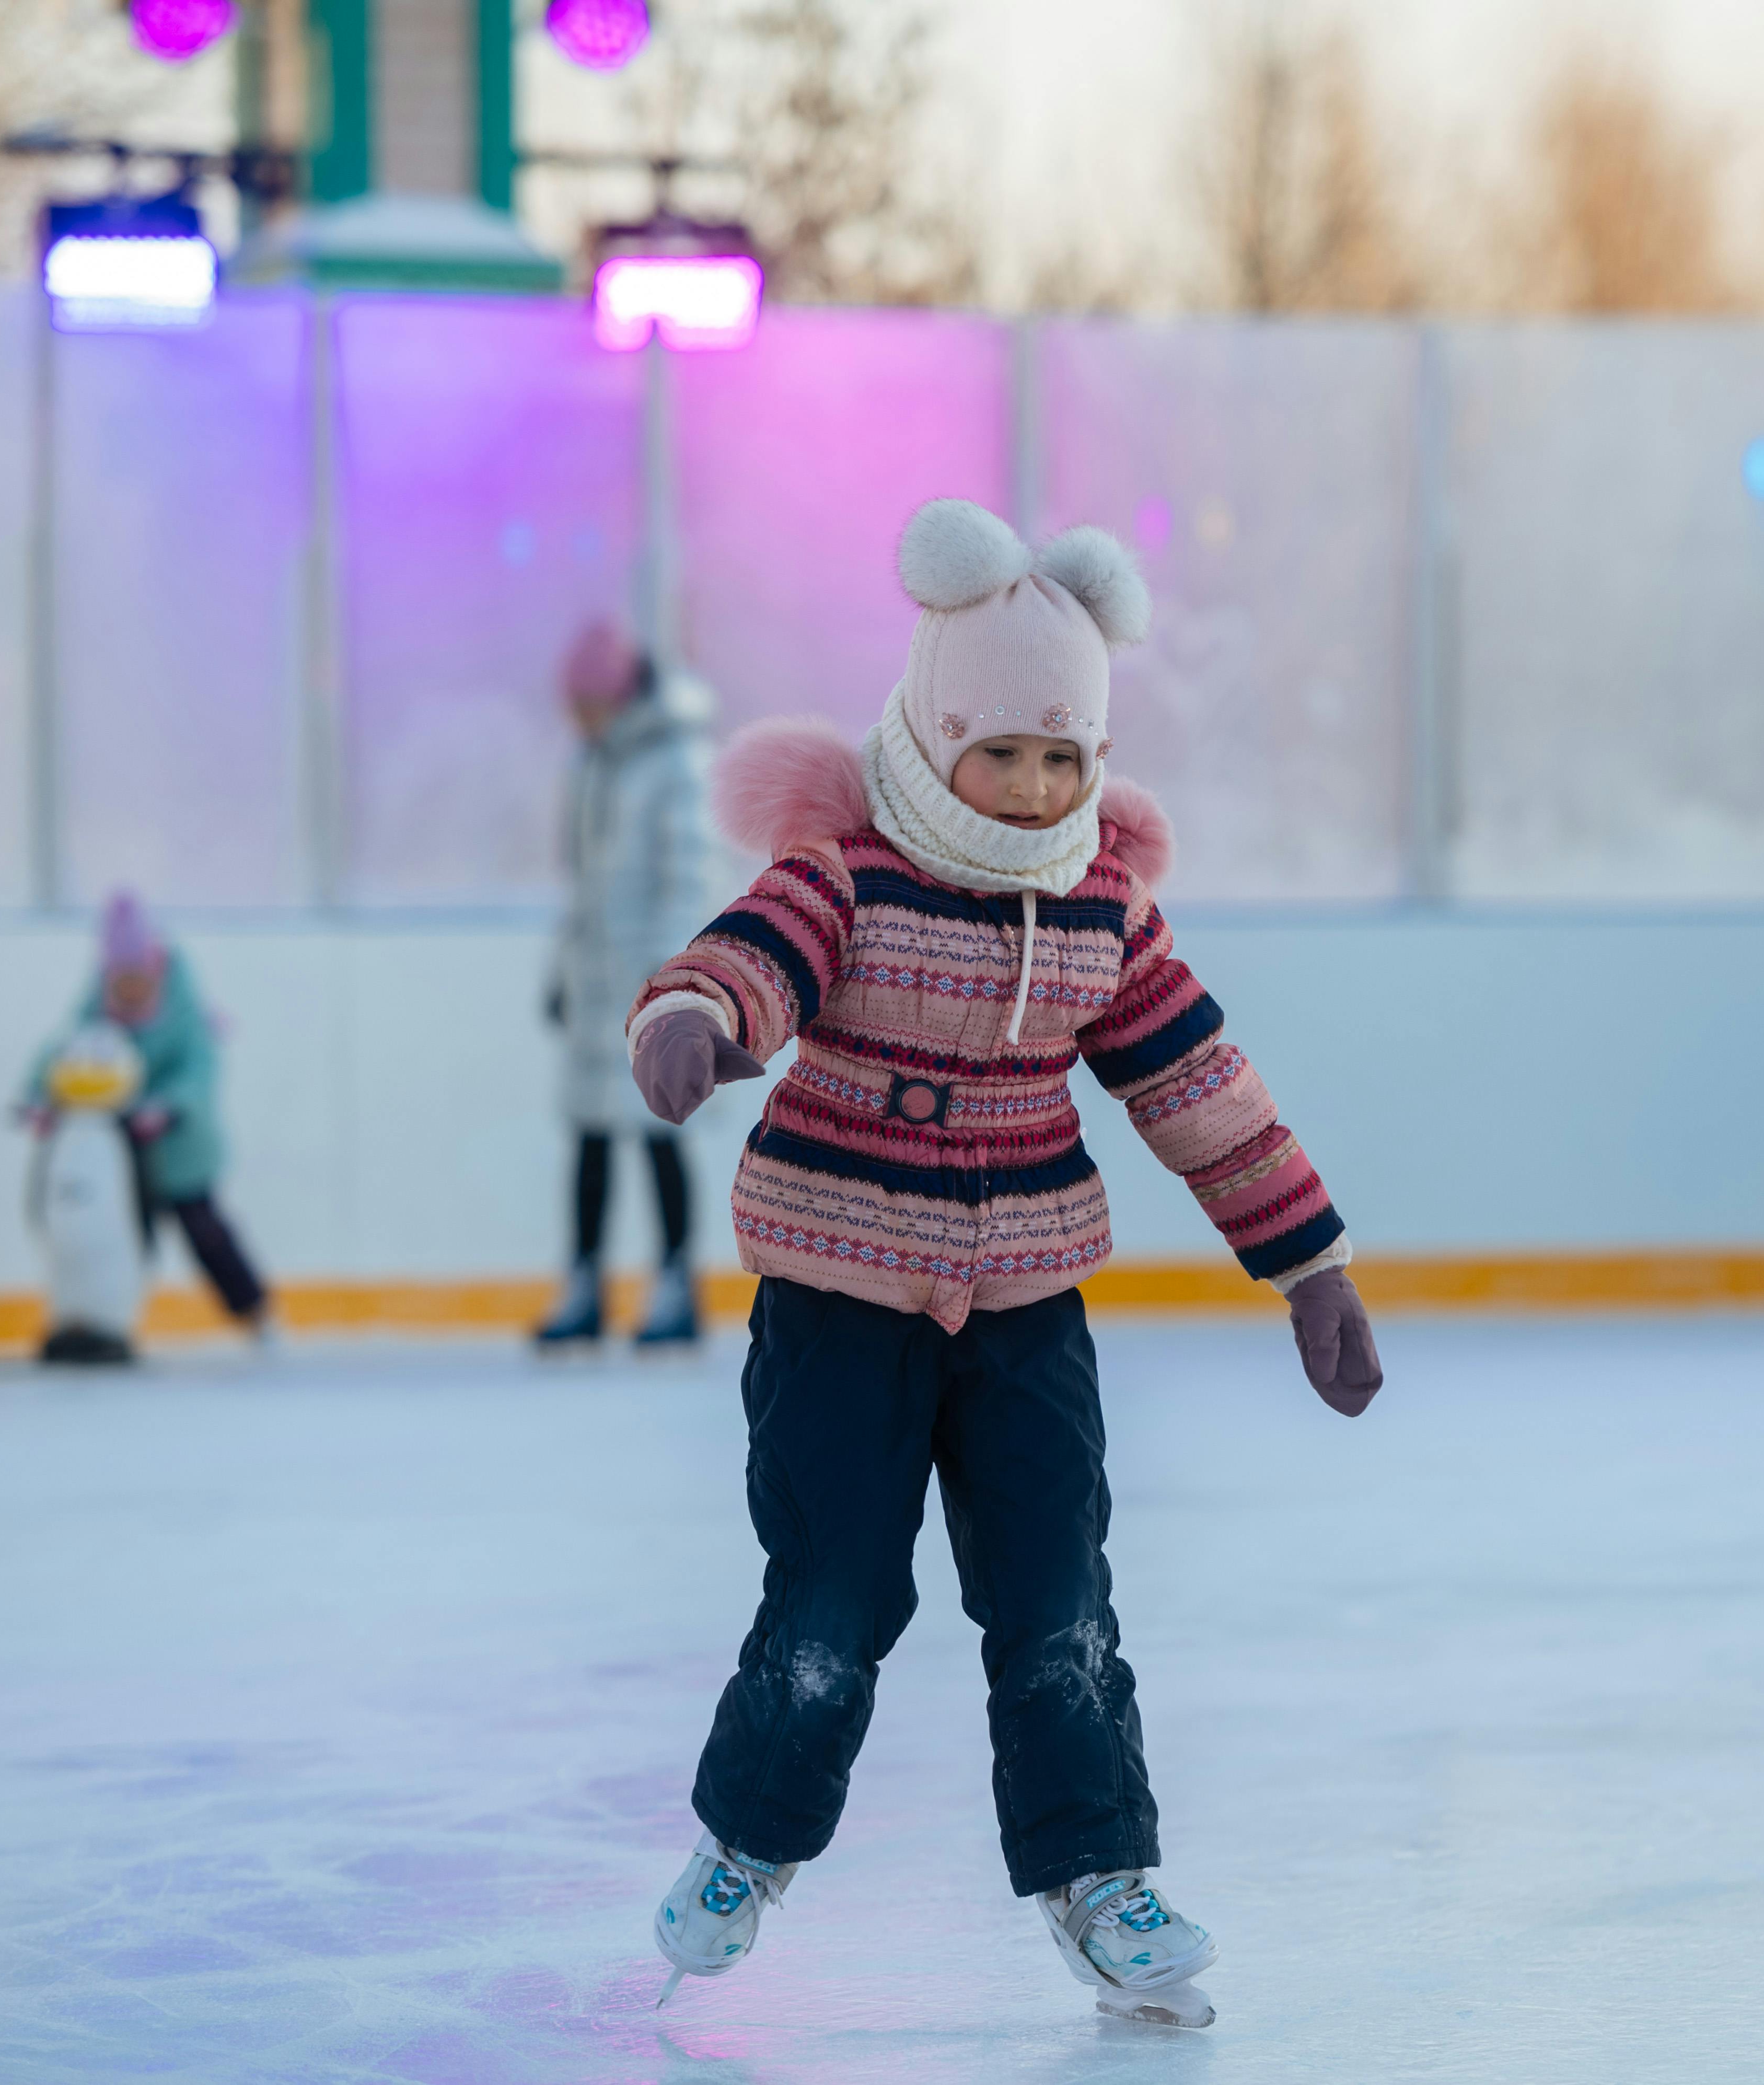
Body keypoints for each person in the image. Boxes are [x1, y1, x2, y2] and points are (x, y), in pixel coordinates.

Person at [622, 499, 1381, 2030]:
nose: (1036, 785)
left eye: (1066, 756)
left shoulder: (1101, 905)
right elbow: (751, 953)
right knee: (833, 1598)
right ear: (934, 729)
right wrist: (698, 1023)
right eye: (1004, 751)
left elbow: (1199, 1084)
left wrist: (1308, 1260)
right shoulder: (853, 870)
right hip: (843, 1294)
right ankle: (748, 1841)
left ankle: (1102, 1875)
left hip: (1027, 1304)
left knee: (1059, 1602)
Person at [532, 615, 722, 1351]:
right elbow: (580, 883)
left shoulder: (675, 764)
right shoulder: (591, 765)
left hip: (649, 982)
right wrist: (563, 971)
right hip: (593, 981)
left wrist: (678, 980)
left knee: (656, 1133)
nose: (576, 721)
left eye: (583, 706)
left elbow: (689, 879)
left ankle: (676, 1281)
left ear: (612, 696)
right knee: (588, 1132)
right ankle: (584, 1281)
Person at [24, 891, 274, 1343]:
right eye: (121, 981)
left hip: (181, 1151)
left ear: (155, 968)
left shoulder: (185, 1013)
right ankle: (104, 1320)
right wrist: (40, 1098)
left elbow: (200, 1071)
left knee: (205, 1233)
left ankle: (255, 1313)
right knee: (117, 1239)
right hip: (121, 1154)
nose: (130, 989)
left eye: (138, 979)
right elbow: (62, 1054)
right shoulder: (97, 1007)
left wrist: (169, 1105)